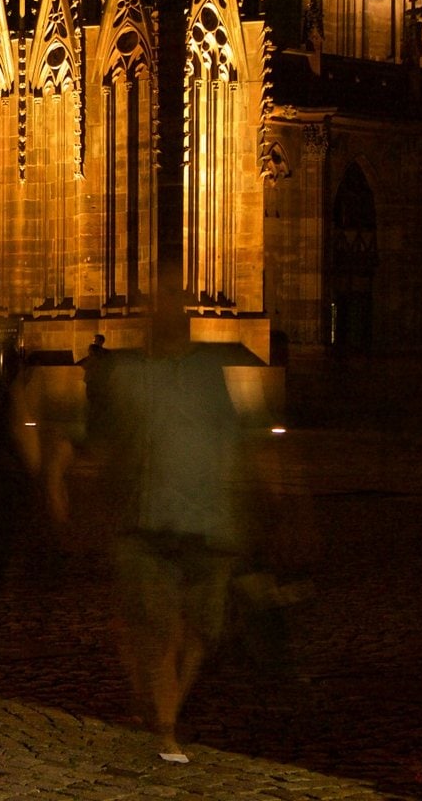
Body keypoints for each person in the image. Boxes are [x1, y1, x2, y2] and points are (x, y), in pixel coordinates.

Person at [94, 286, 248, 765]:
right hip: (151, 521)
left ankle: (166, 713)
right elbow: (109, 445)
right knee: (161, 632)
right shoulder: (128, 375)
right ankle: (165, 729)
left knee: (201, 631)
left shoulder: (208, 372)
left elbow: (232, 441)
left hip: (207, 522)